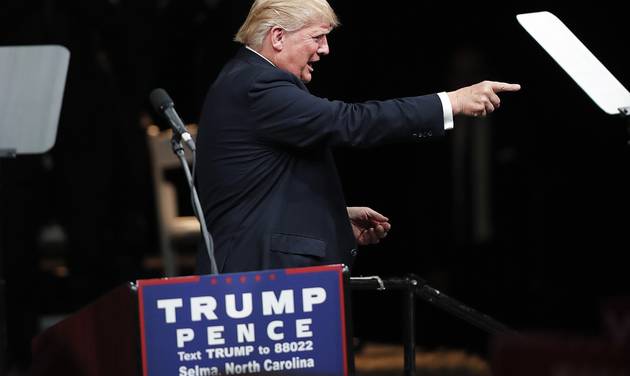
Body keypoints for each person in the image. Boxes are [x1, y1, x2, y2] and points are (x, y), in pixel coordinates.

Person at [195, 0, 520, 274]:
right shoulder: (259, 85)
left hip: (258, 268)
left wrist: (332, 216)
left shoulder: (245, 77)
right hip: (258, 274)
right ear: (278, 37)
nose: (325, 49)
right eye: (318, 37)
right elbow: (350, 122)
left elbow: (259, 186)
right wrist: (451, 102)